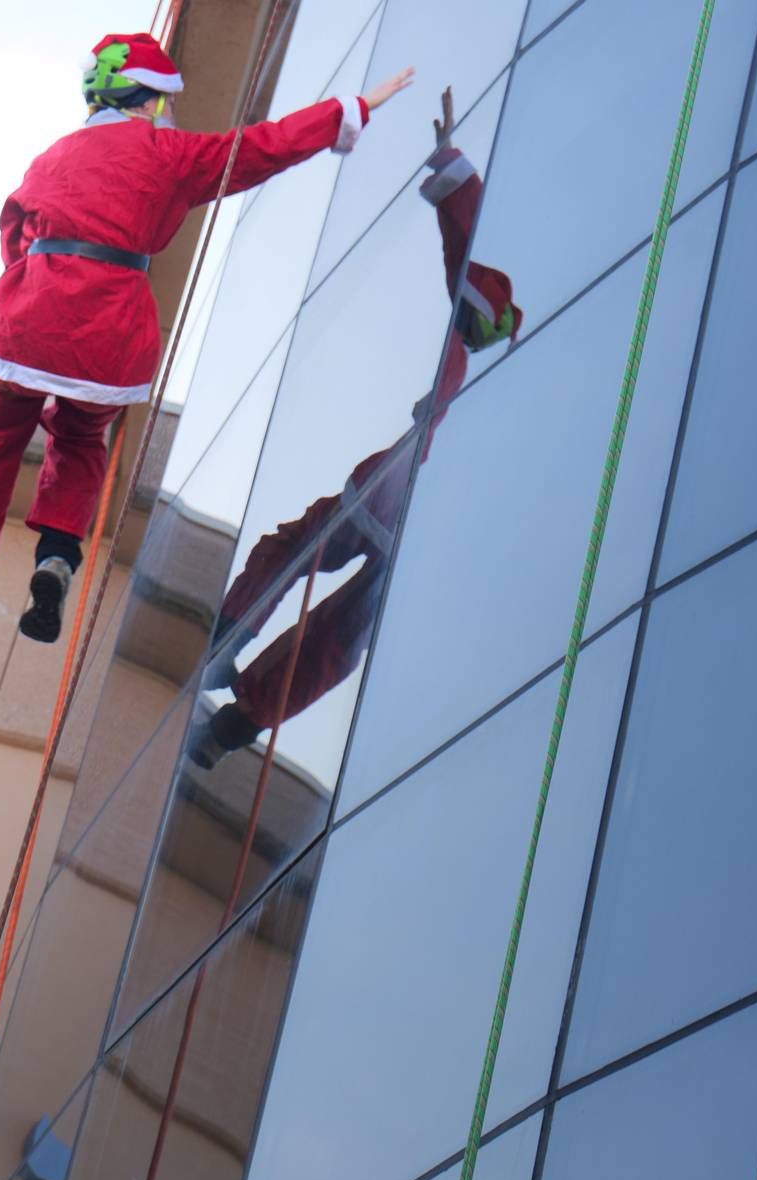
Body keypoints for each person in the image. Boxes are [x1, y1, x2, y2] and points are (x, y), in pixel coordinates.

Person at [0, 32, 415, 642]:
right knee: (81, 440)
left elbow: (13, 233)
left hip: (28, 324)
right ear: (149, 100)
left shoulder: (52, 157)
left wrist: (35, 284)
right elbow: (263, 147)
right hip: (110, 338)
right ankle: (56, 557)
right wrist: (349, 110)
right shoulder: (170, 153)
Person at [187, 87, 524, 768]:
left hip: (400, 491)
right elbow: (470, 275)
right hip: (430, 533)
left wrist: (453, 169)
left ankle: (232, 644)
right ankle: (236, 722)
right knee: (340, 638)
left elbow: (468, 268)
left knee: (298, 550)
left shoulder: (485, 347)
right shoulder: (518, 391)